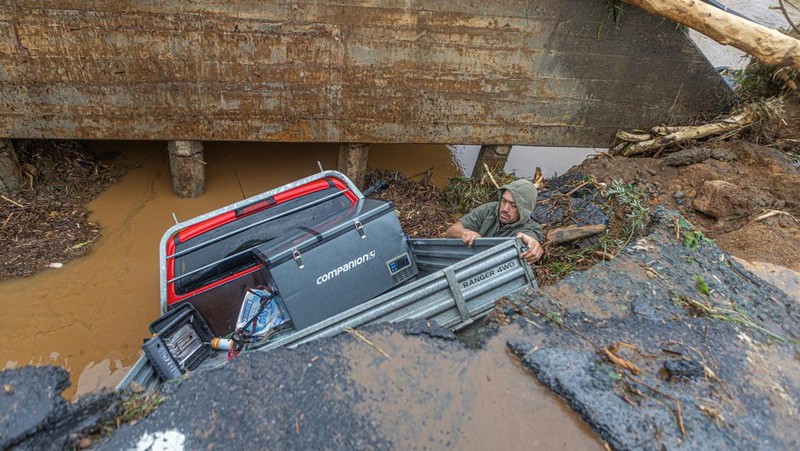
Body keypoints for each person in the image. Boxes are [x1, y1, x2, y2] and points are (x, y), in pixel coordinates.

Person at [444, 179, 544, 265]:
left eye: (513, 205)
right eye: (504, 201)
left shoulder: (530, 228)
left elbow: (531, 238)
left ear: (524, 210)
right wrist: (464, 233)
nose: (504, 209)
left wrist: (533, 245)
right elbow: (451, 231)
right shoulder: (488, 209)